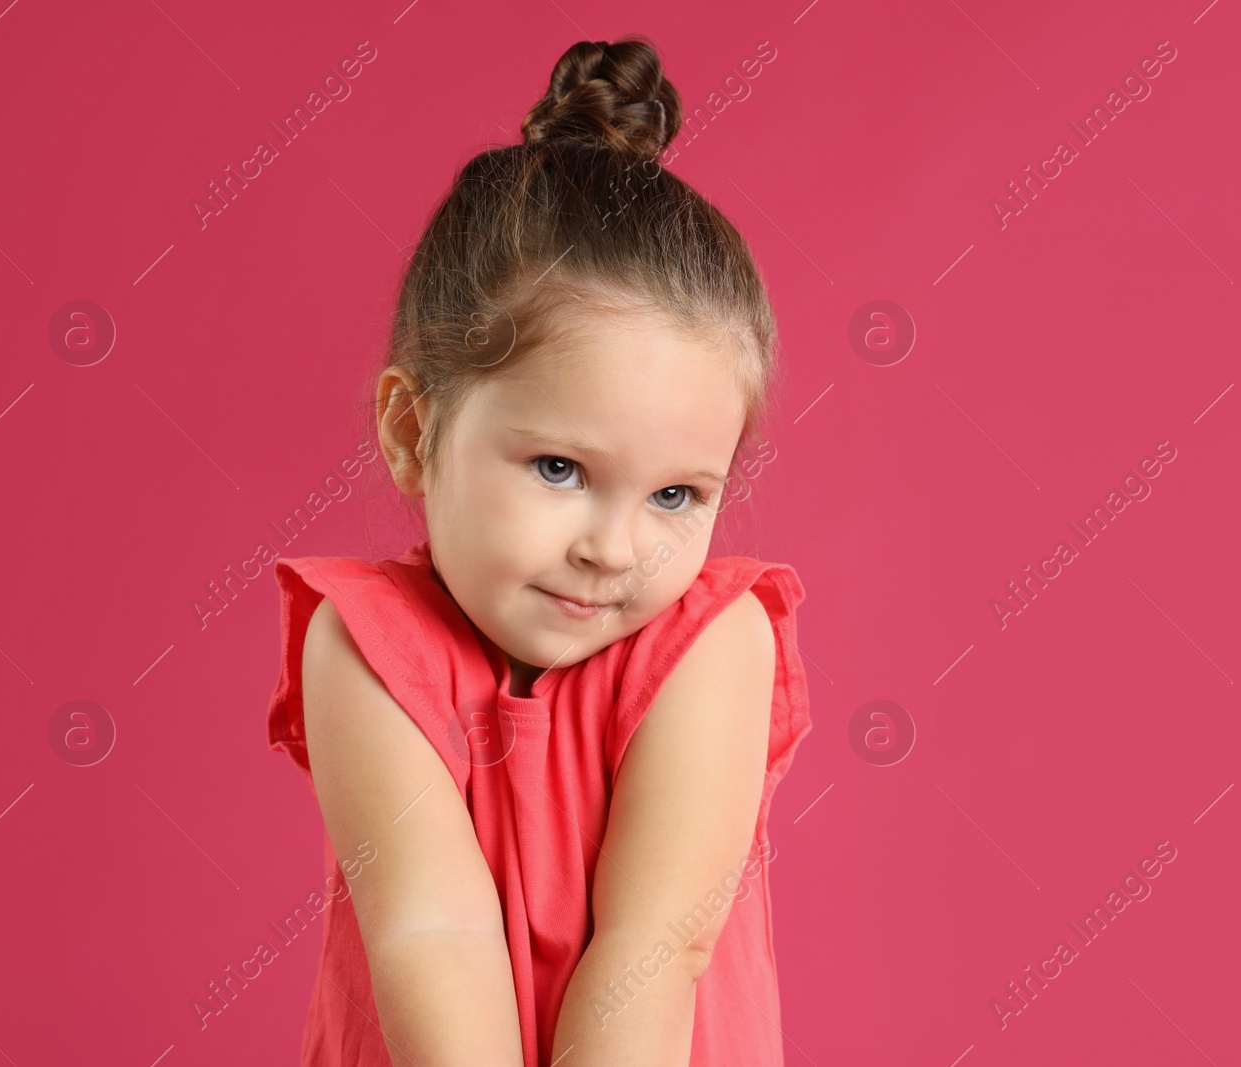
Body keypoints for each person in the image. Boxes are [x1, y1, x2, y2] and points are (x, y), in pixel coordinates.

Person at [264, 34, 812, 1066]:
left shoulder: (710, 644)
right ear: (412, 431)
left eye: (675, 495)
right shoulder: (366, 646)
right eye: (558, 467)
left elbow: (655, 943)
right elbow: (431, 928)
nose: (616, 548)